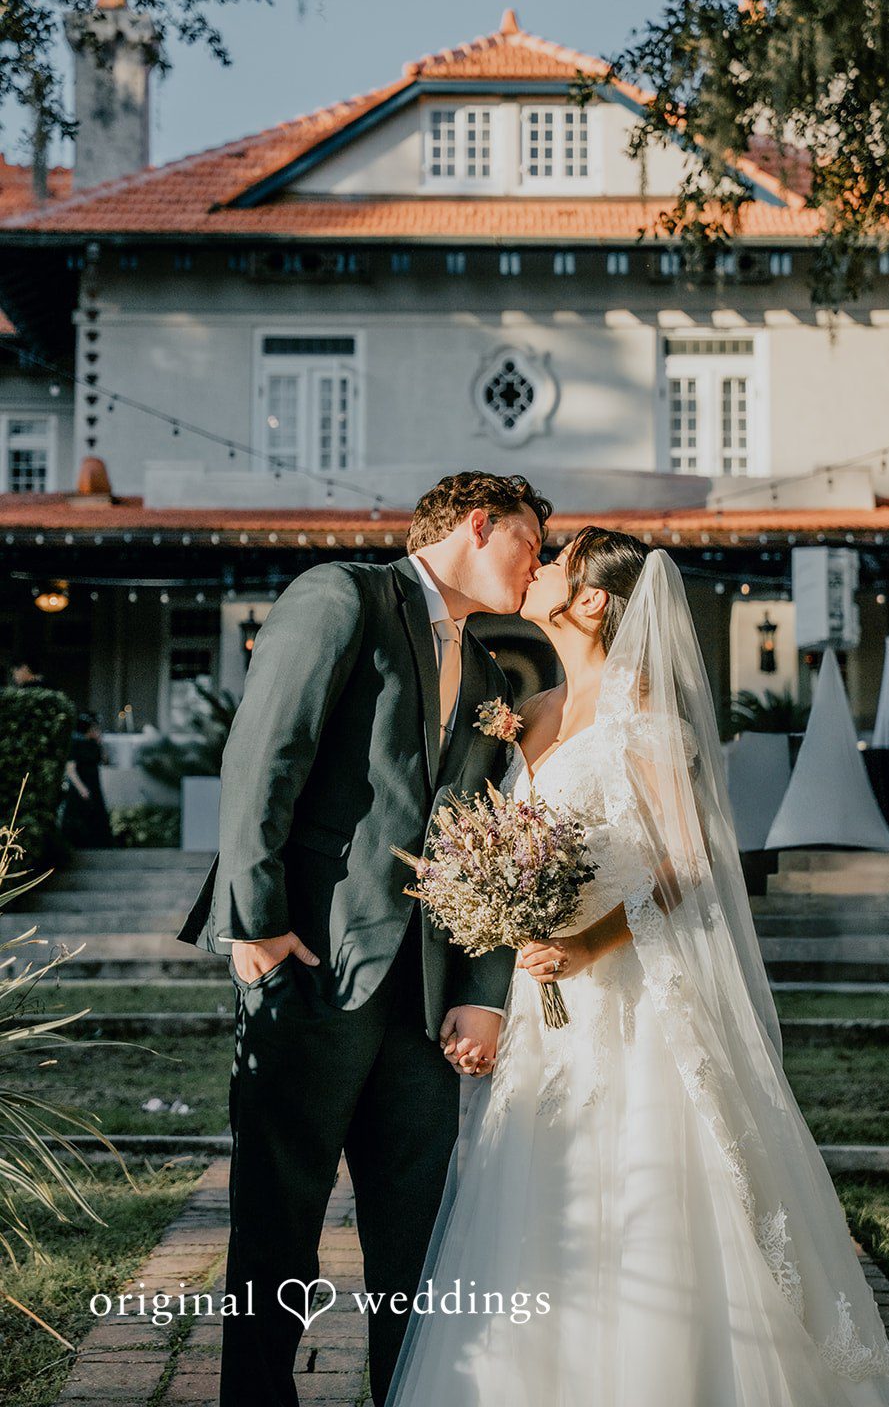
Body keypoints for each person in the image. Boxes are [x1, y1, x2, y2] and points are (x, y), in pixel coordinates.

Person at [384, 528, 889, 1407]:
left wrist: (583, 945)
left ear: (592, 600)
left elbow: (683, 868)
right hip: (539, 995)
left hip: (626, 986)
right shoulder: (523, 711)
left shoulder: (642, 718)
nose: (538, 569)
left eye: (555, 562)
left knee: (647, 1172)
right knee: (538, 1181)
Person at [175, 471, 551, 1407]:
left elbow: (484, 836)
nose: (536, 566)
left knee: (415, 1231)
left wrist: (481, 983)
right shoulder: (341, 596)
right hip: (311, 962)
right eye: (530, 545)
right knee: (279, 1220)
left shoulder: (496, 674)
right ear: (478, 524)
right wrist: (256, 923)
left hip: (424, 999)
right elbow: (263, 752)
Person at [59, 711, 114, 848]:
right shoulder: (75, 744)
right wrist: (81, 788)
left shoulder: (94, 744)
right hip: (80, 785)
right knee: (78, 816)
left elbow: (105, 761)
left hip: (94, 784)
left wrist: (100, 743)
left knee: (96, 817)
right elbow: (70, 769)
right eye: (94, 728)